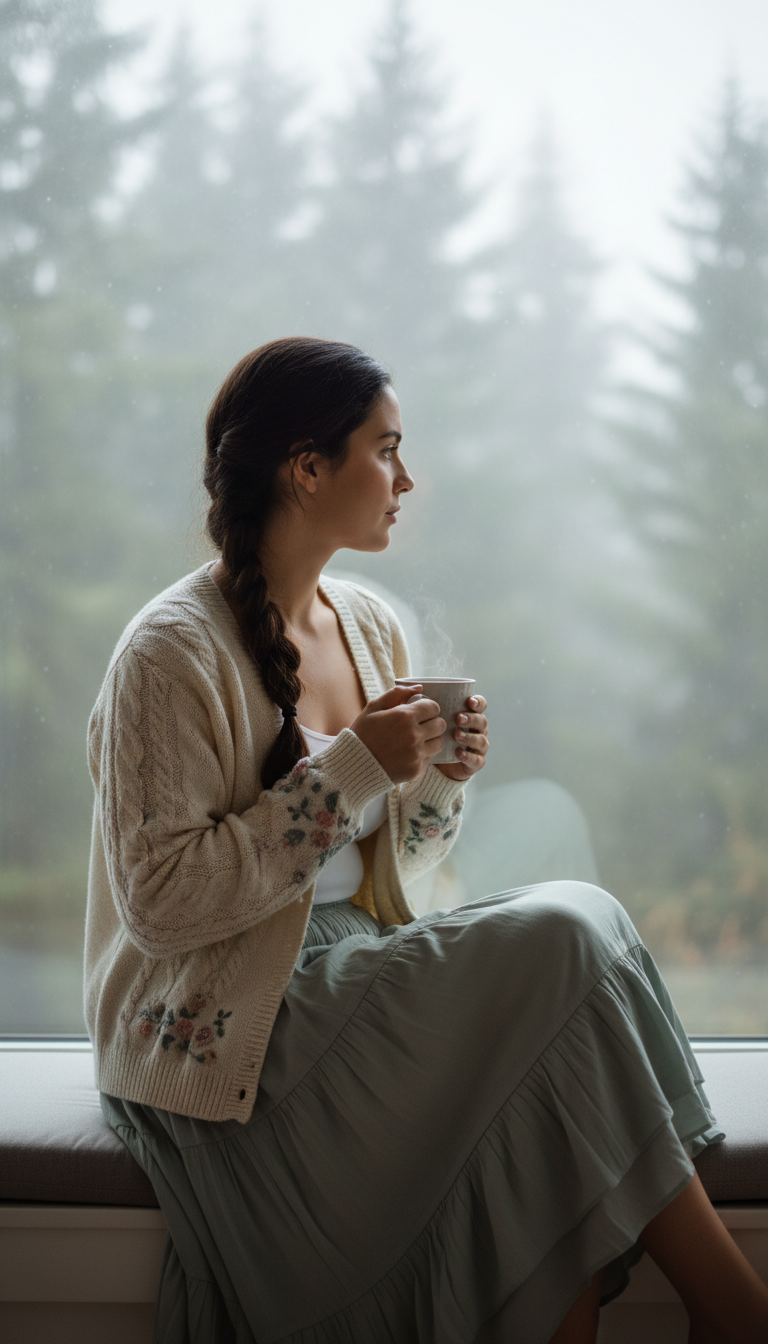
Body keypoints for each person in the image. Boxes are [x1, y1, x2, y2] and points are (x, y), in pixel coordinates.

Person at [85, 337, 768, 1344]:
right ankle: (737, 1311)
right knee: (564, 939)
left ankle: (727, 1312)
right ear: (306, 467)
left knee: (578, 957)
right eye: (387, 449)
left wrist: (440, 778)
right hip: (232, 1027)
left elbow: (395, 870)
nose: (407, 480)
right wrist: (355, 768)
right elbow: (162, 903)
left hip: (353, 969)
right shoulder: (170, 653)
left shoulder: (367, 624)